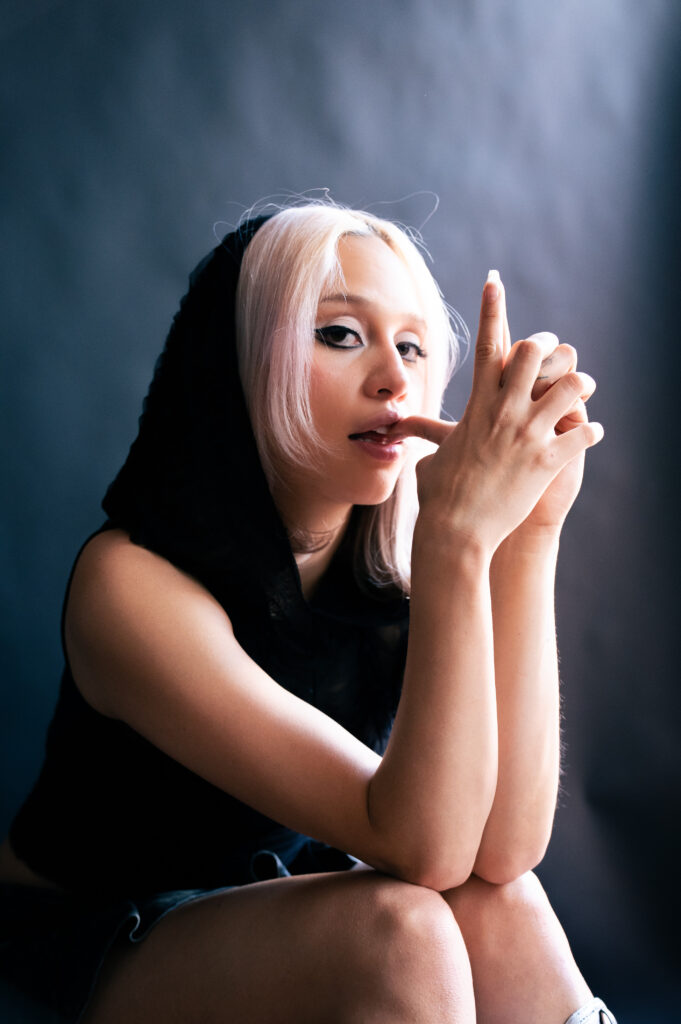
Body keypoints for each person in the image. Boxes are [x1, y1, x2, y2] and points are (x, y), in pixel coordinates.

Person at [0, 202, 617, 1023]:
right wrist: (460, 539)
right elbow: (421, 849)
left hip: (275, 898)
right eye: (339, 334)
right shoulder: (128, 584)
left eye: (411, 346)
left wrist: (530, 533)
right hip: (90, 935)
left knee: (504, 906)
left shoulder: (388, 576)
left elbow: (501, 850)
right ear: (241, 362)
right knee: (403, 932)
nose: (394, 378)